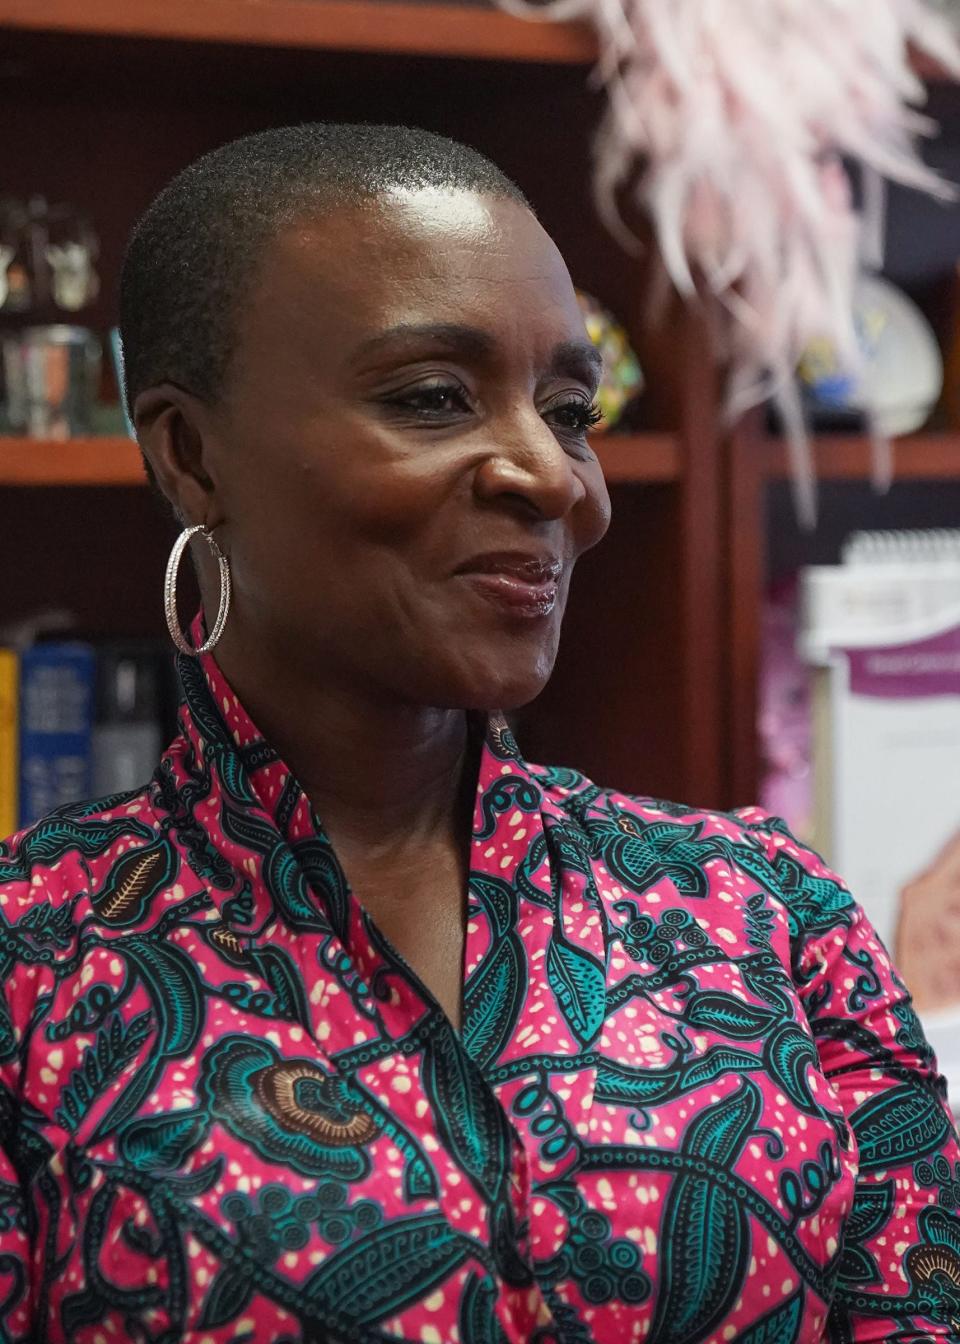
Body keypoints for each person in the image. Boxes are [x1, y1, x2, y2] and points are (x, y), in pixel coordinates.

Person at [0, 123, 957, 1344]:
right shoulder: (33, 972)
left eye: (569, 410)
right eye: (434, 397)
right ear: (191, 456)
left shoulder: (770, 918)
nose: (554, 477)